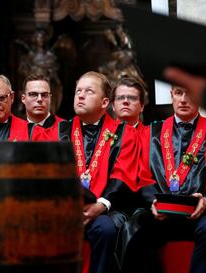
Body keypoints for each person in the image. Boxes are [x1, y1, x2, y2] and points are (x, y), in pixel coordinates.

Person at [47, 71, 138, 273]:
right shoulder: (59, 131)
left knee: (105, 229)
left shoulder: (124, 133)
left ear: (105, 102)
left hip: (104, 208)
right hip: (64, 207)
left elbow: (123, 174)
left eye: (88, 91)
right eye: (78, 91)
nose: (80, 95)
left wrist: (101, 205)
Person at [120, 84, 206, 273]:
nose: (183, 99)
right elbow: (143, 176)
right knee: (135, 236)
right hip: (161, 212)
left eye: (189, 94)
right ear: (171, 96)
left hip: (200, 213)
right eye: (178, 93)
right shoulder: (151, 133)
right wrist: (154, 202)